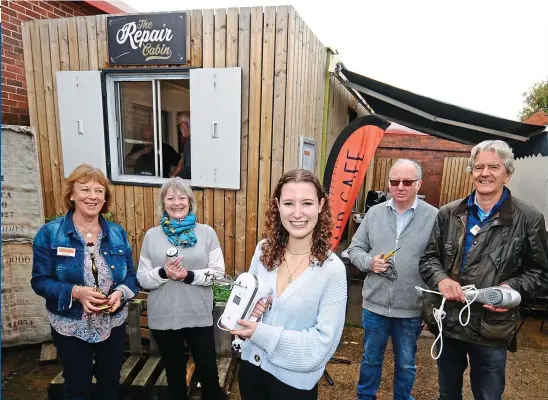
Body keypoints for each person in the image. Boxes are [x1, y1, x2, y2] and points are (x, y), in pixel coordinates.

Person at [419, 140, 548, 400]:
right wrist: (441, 279)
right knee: (447, 394)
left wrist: (511, 289)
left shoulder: (529, 219)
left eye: (493, 167)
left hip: (493, 327)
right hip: (451, 322)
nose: (485, 173)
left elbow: (540, 273)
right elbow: (429, 258)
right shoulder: (448, 213)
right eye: (478, 167)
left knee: (488, 396)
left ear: (508, 174)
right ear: (471, 173)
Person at [231, 169, 347, 400]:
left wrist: (261, 332)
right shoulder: (264, 251)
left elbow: (321, 346)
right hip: (251, 374)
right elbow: (244, 311)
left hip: (294, 387)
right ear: (277, 205)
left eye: (306, 203)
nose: (297, 213)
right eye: (288, 203)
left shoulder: (332, 270)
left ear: (321, 205)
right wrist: (247, 313)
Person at [31, 164, 138, 400]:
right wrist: (76, 292)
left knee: (110, 383)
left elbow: (131, 276)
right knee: (77, 386)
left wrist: (121, 292)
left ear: (105, 198)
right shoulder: (50, 233)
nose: (92, 196)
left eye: (99, 191)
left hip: (112, 322)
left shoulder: (117, 234)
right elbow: (39, 281)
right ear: (72, 194)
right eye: (85, 189)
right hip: (70, 324)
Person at [346, 159, 438, 400]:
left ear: (418, 184)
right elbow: (355, 249)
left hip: (411, 308)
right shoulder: (374, 214)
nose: (400, 186)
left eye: (407, 182)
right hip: (374, 305)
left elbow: (439, 262)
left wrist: (433, 306)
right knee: (370, 359)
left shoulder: (434, 217)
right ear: (388, 184)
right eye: (394, 181)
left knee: (406, 364)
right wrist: (369, 263)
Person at [136, 177, 225, 400]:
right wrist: (163, 273)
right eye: (170, 198)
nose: (176, 203)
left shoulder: (206, 233)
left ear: (190, 201)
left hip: (198, 315)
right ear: (163, 202)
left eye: (181, 197)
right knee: (174, 377)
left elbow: (218, 272)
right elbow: (142, 278)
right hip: (164, 317)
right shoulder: (152, 236)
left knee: (209, 375)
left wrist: (188, 275)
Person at [172, 111, 192, 179]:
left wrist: (175, 180)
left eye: (178, 126)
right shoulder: (189, 140)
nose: (178, 130)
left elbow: (188, 171)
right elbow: (182, 161)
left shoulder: (191, 142)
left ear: (184, 125)